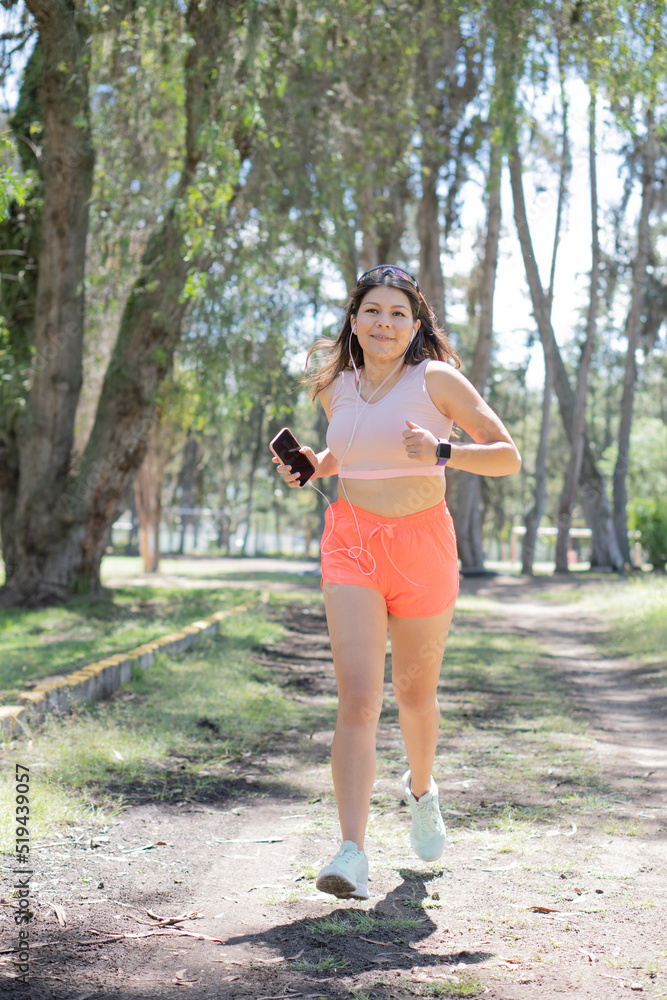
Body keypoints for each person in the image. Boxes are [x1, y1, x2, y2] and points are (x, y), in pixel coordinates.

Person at [272, 264, 521, 900]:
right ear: (354, 321)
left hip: (423, 549)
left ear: (415, 326)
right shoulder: (336, 386)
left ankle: (422, 788)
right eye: (373, 311)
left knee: (414, 696)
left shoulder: (436, 380)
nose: (385, 323)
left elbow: (506, 455)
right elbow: (348, 453)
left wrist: (443, 452)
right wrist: (314, 465)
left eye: (398, 314)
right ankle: (351, 852)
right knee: (358, 700)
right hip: (351, 544)